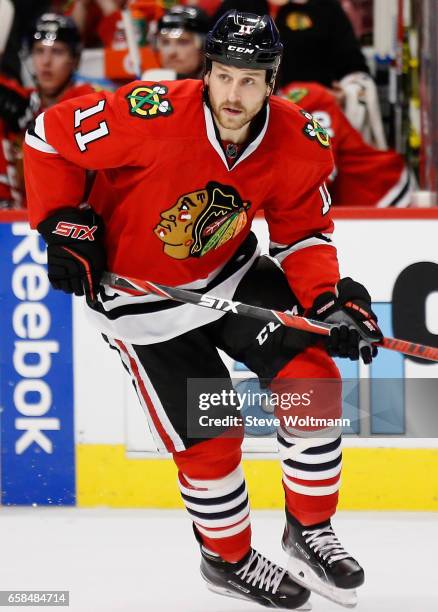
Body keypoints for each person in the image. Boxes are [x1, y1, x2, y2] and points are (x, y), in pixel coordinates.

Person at [24, 10, 383, 609]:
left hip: (231, 275)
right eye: (223, 77)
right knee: (213, 441)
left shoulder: (298, 139)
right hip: (141, 306)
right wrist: (63, 226)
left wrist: (328, 302)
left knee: (313, 381)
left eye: (249, 80)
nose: (233, 94)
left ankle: (309, 529)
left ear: (272, 81)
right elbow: (46, 137)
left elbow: (303, 235)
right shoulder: (151, 114)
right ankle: (228, 560)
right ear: (208, 74)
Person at [0, 12, 95, 208]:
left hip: (75, 214)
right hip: (22, 213)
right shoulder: (24, 99)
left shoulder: (87, 99)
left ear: (75, 60)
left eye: (57, 51)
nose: (46, 62)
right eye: (39, 51)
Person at [282, 81, 414, 206]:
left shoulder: (308, 97)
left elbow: (323, 166)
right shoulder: (272, 109)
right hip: (349, 205)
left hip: (383, 192)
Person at [155, 5, 210, 80]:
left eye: (183, 42)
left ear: (204, 46)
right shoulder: (151, 85)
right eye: (165, 43)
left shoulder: (218, 89)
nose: (172, 52)